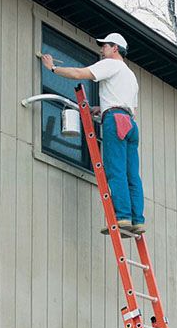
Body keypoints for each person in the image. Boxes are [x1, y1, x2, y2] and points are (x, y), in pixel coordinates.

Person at [41, 32, 146, 235]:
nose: (101, 50)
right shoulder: (130, 75)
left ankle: (122, 217)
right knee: (132, 174)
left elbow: (80, 74)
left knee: (115, 171)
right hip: (130, 124)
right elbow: (128, 105)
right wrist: (102, 107)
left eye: (104, 46)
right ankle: (137, 220)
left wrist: (52, 68)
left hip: (115, 121)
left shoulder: (110, 64)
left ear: (115, 48)